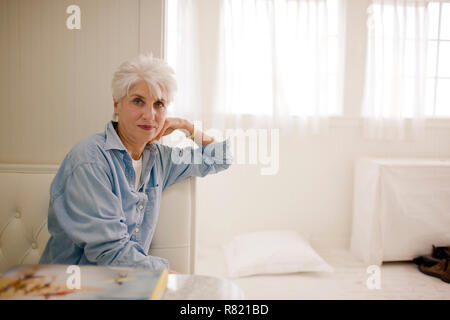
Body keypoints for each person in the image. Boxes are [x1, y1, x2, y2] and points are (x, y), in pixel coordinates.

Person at [39, 53, 232, 271]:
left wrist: (186, 126)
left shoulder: (160, 159)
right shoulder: (89, 160)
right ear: (116, 105)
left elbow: (221, 158)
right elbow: (110, 253)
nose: (150, 115)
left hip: (125, 285)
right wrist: (171, 276)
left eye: (159, 104)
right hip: (71, 289)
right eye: (138, 101)